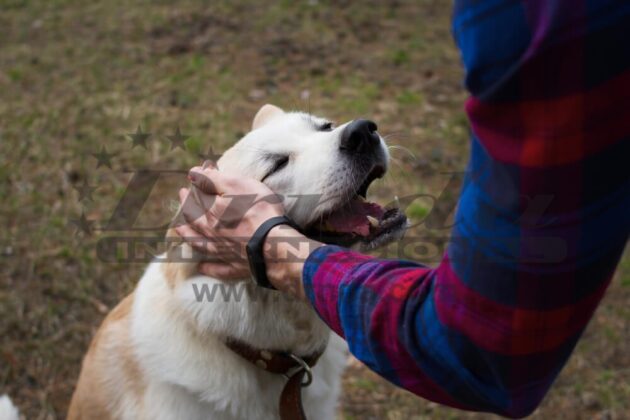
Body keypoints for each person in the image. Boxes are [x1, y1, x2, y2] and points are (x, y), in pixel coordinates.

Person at [175, 1, 630, 417]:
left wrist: (275, 251)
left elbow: (473, 344)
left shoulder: (530, 21)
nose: (347, 134)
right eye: (277, 163)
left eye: (324, 128)